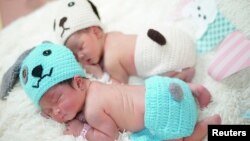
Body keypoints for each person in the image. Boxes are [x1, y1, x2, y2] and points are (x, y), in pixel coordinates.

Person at [19, 42, 221, 141]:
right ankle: (194, 90)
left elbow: (110, 136)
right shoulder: (97, 85)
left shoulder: (92, 111)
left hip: (162, 113)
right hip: (164, 89)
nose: (56, 113)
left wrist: (82, 130)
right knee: (152, 87)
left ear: (79, 83)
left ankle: (203, 128)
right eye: (48, 111)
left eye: (57, 100)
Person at [53, 0, 197, 83]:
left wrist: (100, 75)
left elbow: (119, 87)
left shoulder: (111, 61)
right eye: (75, 55)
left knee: (155, 84)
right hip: (178, 38)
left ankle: (181, 75)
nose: (80, 57)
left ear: (96, 32)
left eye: (81, 47)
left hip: (167, 56)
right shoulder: (113, 35)